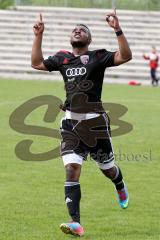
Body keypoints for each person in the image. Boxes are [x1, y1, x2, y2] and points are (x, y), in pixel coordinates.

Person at [31, 9, 132, 237]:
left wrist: (117, 28)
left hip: (96, 125)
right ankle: (75, 222)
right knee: (71, 169)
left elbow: (125, 56)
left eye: (83, 30)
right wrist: (38, 35)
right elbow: (36, 63)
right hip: (70, 124)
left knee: (108, 169)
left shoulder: (98, 57)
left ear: (89, 39)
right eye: (75, 29)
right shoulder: (62, 58)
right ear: (71, 38)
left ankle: (119, 184)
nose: (78, 30)